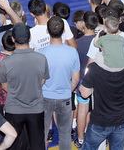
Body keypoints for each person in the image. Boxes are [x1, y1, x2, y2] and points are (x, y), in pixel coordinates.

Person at [78, 32, 124, 150]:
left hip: (100, 120)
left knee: (89, 147)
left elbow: (85, 94)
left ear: (102, 47)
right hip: (121, 119)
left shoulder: (93, 68)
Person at [0, 23, 49, 150]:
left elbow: (3, 85)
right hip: (36, 109)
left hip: (14, 109)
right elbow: (42, 81)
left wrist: (16, 91)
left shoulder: (6, 62)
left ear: (13, 39)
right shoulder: (41, 58)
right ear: (30, 38)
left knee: (13, 144)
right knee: (37, 145)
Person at [39, 16, 80, 150]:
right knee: (65, 135)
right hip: (65, 97)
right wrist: (67, 91)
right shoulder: (72, 52)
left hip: (44, 97)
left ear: (47, 31)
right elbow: (75, 79)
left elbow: (38, 79)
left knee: (42, 133)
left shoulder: (40, 53)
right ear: (63, 31)